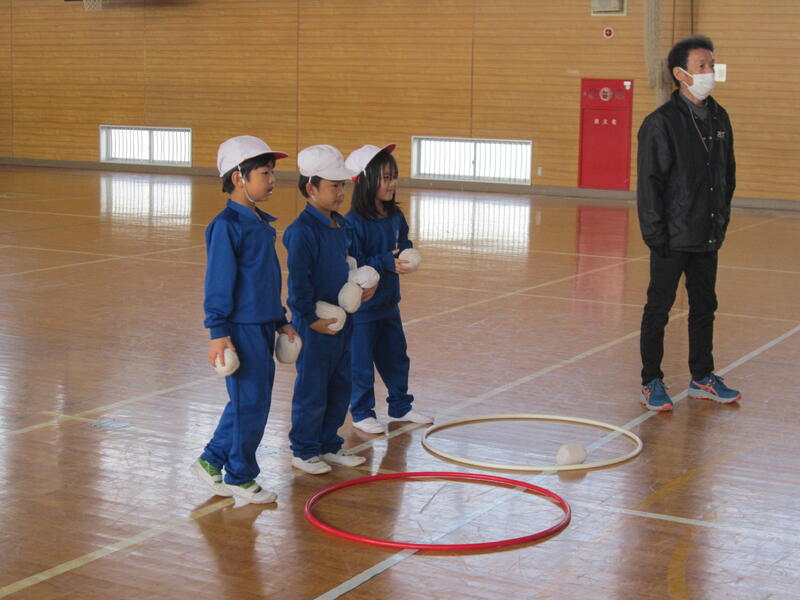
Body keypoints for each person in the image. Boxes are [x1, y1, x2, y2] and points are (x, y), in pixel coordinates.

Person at [190, 135, 297, 503]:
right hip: (241, 329)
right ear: (239, 178)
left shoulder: (259, 223)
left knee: (251, 401)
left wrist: (280, 320)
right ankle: (240, 475)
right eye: (265, 173)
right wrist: (218, 332)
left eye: (272, 172)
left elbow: (265, 281)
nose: (272, 179)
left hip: (263, 324)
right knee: (250, 402)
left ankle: (211, 460)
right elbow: (219, 283)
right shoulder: (226, 226)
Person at [637, 35, 741, 411]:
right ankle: (651, 380)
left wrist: (720, 220)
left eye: (711, 64)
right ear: (681, 74)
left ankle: (702, 377)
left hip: (707, 233)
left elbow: (727, 175)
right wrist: (656, 235)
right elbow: (650, 184)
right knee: (658, 309)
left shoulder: (719, 117)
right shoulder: (660, 123)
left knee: (704, 307)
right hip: (671, 237)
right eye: (702, 66)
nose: (710, 71)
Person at [283, 144, 374, 474]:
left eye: (343, 185)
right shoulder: (301, 232)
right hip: (316, 327)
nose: (341, 193)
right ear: (311, 188)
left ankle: (328, 443)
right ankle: (304, 449)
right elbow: (298, 284)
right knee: (312, 388)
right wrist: (309, 320)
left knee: (339, 385)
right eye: (334, 186)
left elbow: (352, 264)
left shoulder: (343, 226)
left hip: (343, 322)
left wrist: (365, 283)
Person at [343, 144, 432, 434]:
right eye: (385, 177)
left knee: (396, 357)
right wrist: (385, 262)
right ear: (366, 180)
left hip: (389, 304)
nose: (392, 183)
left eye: (394, 176)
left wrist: (407, 254)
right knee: (361, 363)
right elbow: (354, 263)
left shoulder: (395, 216)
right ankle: (361, 411)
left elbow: (402, 243)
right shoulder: (353, 222)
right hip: (364, 309)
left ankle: (400, 406)